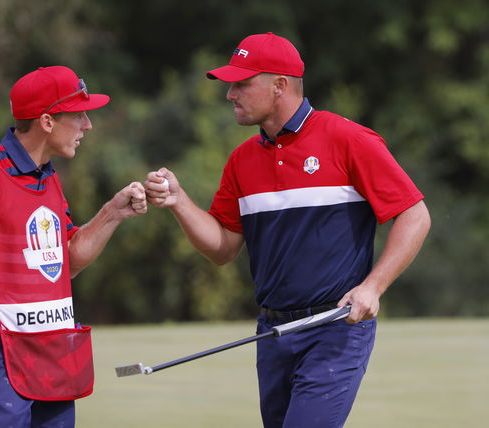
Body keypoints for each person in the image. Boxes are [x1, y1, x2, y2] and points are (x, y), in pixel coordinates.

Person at [145, 32, 431, 428]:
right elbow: (222, 248)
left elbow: (414, 214)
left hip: (335, 328)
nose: (230, 94)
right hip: (272, 332)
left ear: (279, 85)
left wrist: (373, 287)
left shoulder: (348, 139)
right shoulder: (241, 160)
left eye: (242, 83)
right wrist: (178, 201)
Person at [0, 65, 147, 427]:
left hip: (51, 352)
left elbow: (67, 261)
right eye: (79, 115)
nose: (88, 125)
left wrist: (113, 212)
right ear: (47, 121)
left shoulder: (47, 176)